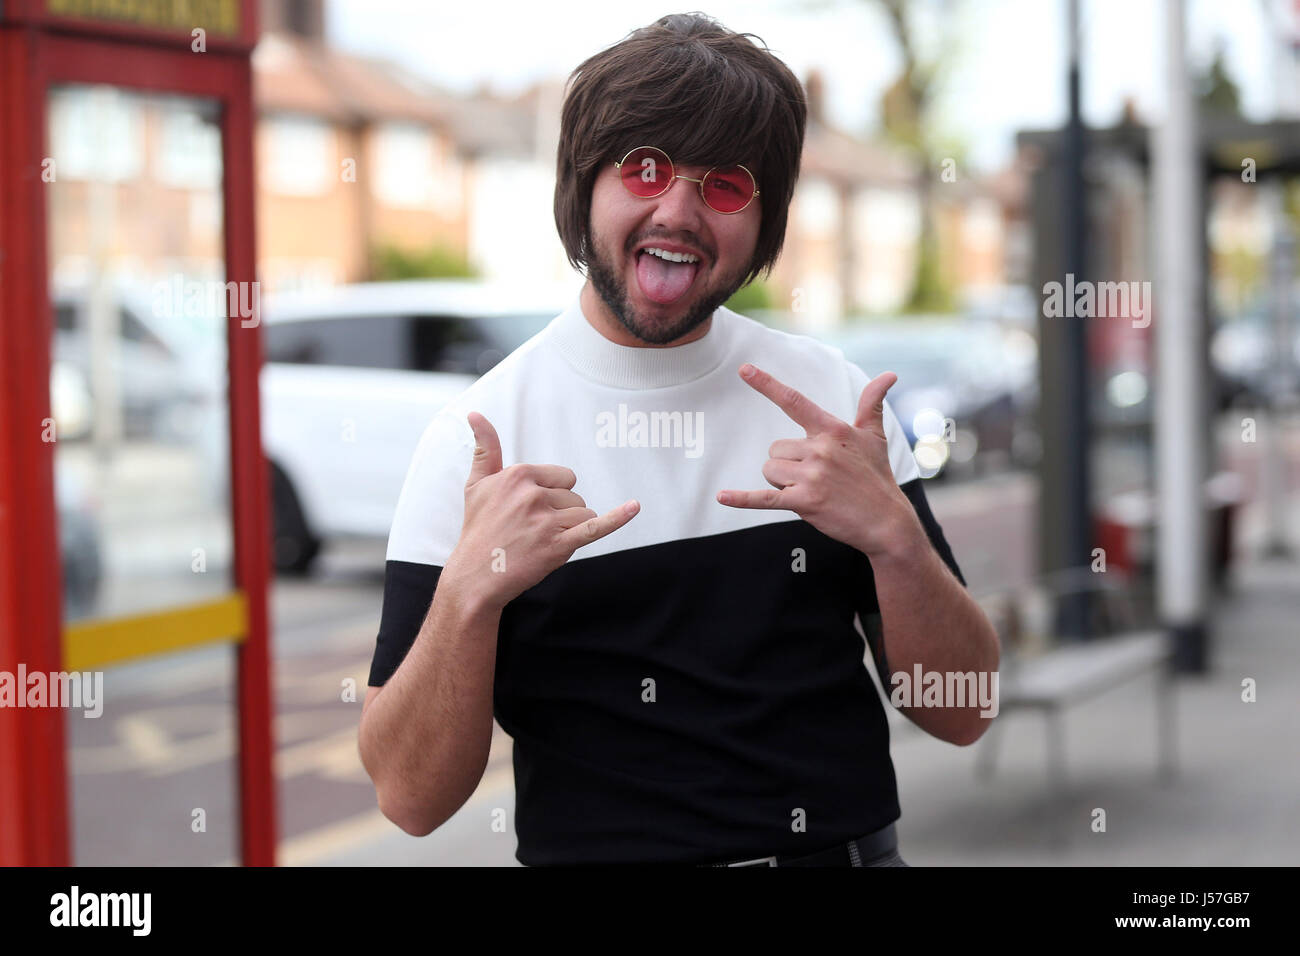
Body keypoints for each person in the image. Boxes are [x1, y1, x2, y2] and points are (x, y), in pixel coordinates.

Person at [358, 12, 1000, 867]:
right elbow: (409, 800)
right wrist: (469, 594)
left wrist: (897, 544)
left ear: (763, 218)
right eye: (646, 169)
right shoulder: (479, 441)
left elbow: (963, 711)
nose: (679, 210)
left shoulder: (836, 406)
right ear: (584, 186)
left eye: (725, 184)